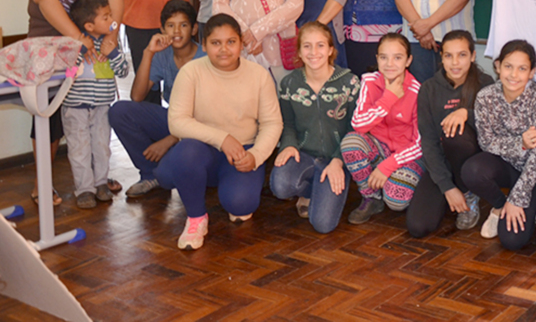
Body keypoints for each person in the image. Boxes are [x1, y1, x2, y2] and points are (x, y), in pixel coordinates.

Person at [20, 0, 124, 205]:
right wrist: (78, 37)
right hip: (50, 43)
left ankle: (98, 178)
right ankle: (42, 183)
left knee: (98, 114)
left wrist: (110, 33)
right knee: (48, 115)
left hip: (98, 45)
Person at [155, 13, 284, 251]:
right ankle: (196, 218)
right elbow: (177, 122)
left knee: (241, 205)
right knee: (174, 166)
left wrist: (255, 155)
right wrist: (222, 138)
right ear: (204, 45)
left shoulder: (259, 76)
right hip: (202, 150)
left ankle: (216, 184)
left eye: (231, 42)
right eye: (215, 43)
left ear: (241, 44)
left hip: (242, 152)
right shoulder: (191, 72)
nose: (224, 49)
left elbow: (272, 123)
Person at [270, 21, 361, 233]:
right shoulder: (290, 84)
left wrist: (338, 160)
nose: (314, 52)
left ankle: (330, 188)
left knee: (323, 225)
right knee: (281, 185)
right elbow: (288, 123)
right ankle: (310, 190)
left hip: (336, 159)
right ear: (300, 52)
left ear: (330, 50)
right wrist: (289, 145)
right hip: (305, 156)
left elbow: (354, 128)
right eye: (307, 46)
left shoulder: (350, 82)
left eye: (320, 45)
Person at [109, 0, 205, 198]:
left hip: (204, 128)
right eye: (171, 26)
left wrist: (170, 140)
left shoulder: (205, 58)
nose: (177, 31)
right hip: (175, 119)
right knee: (119, 111)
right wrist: (148, 52)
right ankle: (149, 174)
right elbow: (137, 96)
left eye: (183, 25)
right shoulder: (163, 55)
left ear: (194, 29)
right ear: (162, 29)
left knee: (170, 173)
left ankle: (175, 164)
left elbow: (209, 115)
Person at [406, 30, 495, 238]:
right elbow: (428, 142)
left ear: (473, 56)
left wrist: (467, 113)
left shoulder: (485, 83)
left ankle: (468, 193)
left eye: (462, 55)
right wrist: (447, 187)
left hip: (475, 163)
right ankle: (453, 194)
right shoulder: (428, 89)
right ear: (441, 57)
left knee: (454, 134)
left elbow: (494, 125)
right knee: (418, 226)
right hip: (442, 163)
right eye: (448, 55)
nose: (455, 62)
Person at [462, 40, 536, 251]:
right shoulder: (486, 97)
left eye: (522, 69)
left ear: (532, 72)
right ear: (498, 66)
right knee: (472, 170)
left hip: (535, 174)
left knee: (512, 240)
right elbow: (486, 142)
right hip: (505, 166)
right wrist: (521, 143)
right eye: (508, 66)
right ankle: (499, 206)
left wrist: (517, 199)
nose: (513, 75)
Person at [341, 33, 422, 224]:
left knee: (396, 200)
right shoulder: (369, 82)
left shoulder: (418, 91)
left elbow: (420, 144)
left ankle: (401, 184)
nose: (390, 64)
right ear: (377, 59)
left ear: (408, 60)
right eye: (384, 57)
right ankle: (371, 197)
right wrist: (389, 98)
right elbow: (359, 125)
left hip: (406, 156)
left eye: (397, 57)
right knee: (351, 142)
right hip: (378, 148)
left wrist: (388, 166)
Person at [62, 0, 130, 209]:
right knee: (79, 148)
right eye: (106, 16)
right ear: (89, 25)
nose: (111, 19)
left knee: (102, 146)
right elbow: (66, 73)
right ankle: (84, 189)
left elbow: (123, 70)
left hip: (102, 105)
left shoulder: (109, 43)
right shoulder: (73, 44)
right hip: (75, 107)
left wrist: (114, 54)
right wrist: (81, 51)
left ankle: (101, 183)